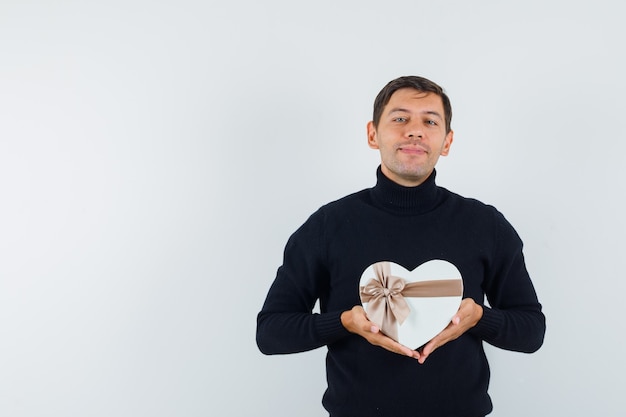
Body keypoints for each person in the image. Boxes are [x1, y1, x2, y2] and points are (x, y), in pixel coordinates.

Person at [256, 75, 545, 417]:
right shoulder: (327, 226)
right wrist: (345, 322)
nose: (415, 130)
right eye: (400, 118)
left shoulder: (486, 225)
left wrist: (479, 318)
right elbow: (271, 332)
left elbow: (531, 331)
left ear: (447, 141)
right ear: (372, 134)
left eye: (430, 121)